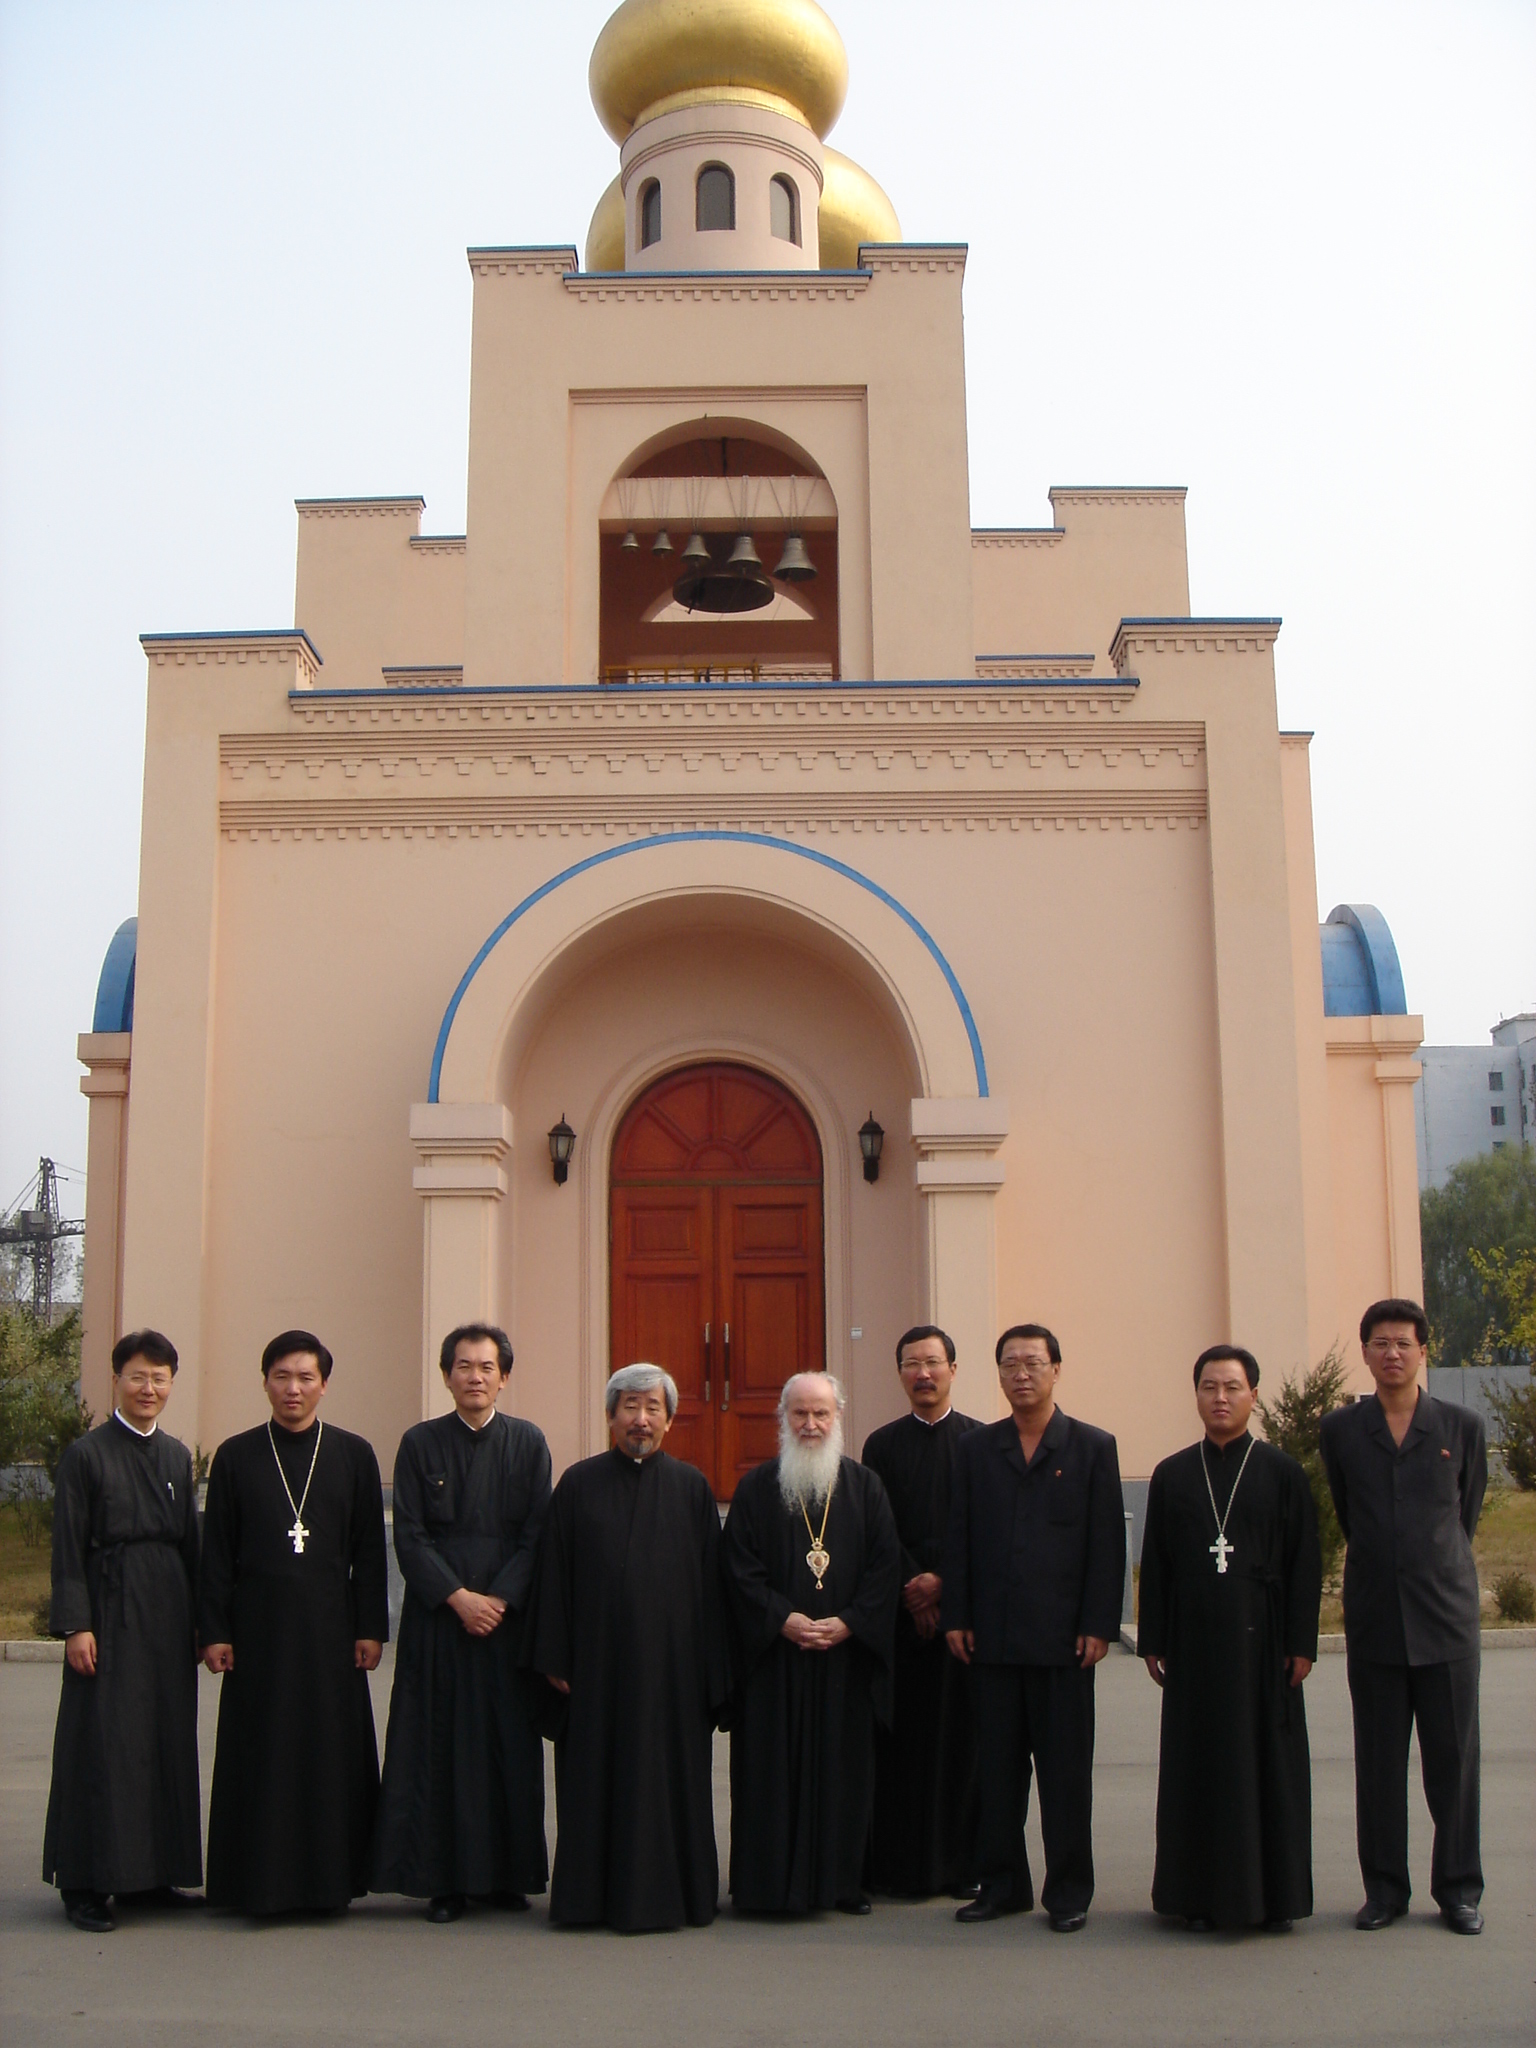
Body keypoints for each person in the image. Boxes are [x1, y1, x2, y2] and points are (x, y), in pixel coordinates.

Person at [524, 1363, 728, 1931]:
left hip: (672, 1676)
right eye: (630, 1407)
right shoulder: (577, 1485)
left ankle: (677, 1896)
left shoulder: (692, 1488)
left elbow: (712, 1587)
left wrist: (710, 1671)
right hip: (596, 1671)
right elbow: (553, 1575)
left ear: (669, 1419)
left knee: (668, 1783)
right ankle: (589, 1900)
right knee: (595, 1781)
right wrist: (555, 1656)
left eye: (652, 1408)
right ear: (611, 1416)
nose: (641, 1419)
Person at [942, 1323, 1125, 1932]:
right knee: (996, 1774)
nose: (1021, 1374)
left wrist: (1099, 1624)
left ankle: (1068, 1892)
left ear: (1056, 1370)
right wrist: (957, 1615)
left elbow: (1107, 1545)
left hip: (1063, 1643)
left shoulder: (1092, 1447)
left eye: (1033, 1363)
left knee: (1065, 1777)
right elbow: (960, 1537)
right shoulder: (977, 1448)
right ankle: (1002, 1886)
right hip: (991, 1640)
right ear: (998, 1374)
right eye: (1010, 1364)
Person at [199, 1330, 389, 1915]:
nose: (293, 1389)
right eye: (282, 1376)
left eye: (306, 1378)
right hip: (257, 1633)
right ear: (265, 1383)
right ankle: (253, 1883)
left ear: (324, 1385)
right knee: (261, 1754)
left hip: (331, 1632)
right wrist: (215, 1631)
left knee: (327, 1757)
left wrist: (370, 1628)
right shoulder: (236, 1455)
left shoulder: (353, 1454)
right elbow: (216, 1552)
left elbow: (369, 1550)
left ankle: (329, 1884)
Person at [1139, 1344, 1321, 1933]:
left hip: (1264, 1645)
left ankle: (1272, 1898)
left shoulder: (1282, 1472)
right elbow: (1156, 1563)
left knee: (1266, 1767)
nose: (1220, 1398)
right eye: (1209, 1387)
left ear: (1253, 1396)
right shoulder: (1172, 1474)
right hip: (1192, 1643)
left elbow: (1305, 1564)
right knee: (1198, 1766)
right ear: (1196, 1395)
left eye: (1232, 1387)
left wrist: (1301, 1643)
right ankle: (1198, 1897)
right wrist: (1153, 1639)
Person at [373, 1323, 552, 1922]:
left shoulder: (528, 1443)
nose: (476, 1377)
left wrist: (498, 1600)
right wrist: (457, 1598)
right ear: (447, 1376)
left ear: (504, 1377)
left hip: (506, 1623)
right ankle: (442, 1880)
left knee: (508, 1746)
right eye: (464, 1366)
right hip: (440, 1621)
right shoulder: (419, 1443)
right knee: (438, 1747)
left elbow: (537, 1535)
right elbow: (409, 1534)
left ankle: (507, 1877)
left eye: (487, 1367)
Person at [1320, 1298, 1487, 1936]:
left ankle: (1459, 1891)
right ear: (1365, 1352)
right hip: (1376, 1621)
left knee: (1454, 1765)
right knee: (1379, 1766)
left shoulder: (1461, 1426)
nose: (1393, 1354)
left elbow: (1465, 1514)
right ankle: (1385, 1891)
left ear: (1423, 1351)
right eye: (1381, 1343)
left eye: (1404, 1343)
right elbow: (1349, 1512)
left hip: (1445, 1620)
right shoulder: (1342, 1430)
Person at [721, 1370, 901, 1916]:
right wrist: (782, 1619)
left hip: (844, 1661)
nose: (810, 1424)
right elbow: (737, 1570)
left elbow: (885, 1568)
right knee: (770, 1776)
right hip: (775, 1662)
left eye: (821, 1413)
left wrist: (849, 1622)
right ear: (783, 1417)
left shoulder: (865, 1488)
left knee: (843, 1774)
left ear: (838, 1416)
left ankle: (841, 1885)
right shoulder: (756, 1489)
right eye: (799, 1413)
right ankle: (767, 1887)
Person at [42, 1330, 203, 1932]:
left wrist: (202, 1623)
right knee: (102, 1742)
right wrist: (76, 1624)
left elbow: (191, 1545)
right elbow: (68, 1547)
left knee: (161, 1739)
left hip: (166, 1614)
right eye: (138, 1376)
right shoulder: (86, 1455)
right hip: (108, 1609)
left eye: (160, 1378)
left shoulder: (176, 1456)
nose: (148, 1388)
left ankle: (151, 1876)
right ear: (116, 1380)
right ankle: (85, 1882)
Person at [860, 1324, 982, 1898]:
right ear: (900, 1374)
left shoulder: (982, 1443)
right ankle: (899, 1868)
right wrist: (913, 1585)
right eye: (912, 1364)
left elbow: (986, 1529)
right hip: (902, 1621)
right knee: (902, 1747)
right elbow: (878, 1528)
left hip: (963, 1620)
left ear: (953, 1370)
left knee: (961, 1745)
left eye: (933, 1362)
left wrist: (945, 1586)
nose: (924, 1374)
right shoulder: (881, 1446)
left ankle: (961, 1867)